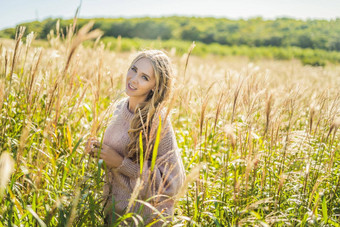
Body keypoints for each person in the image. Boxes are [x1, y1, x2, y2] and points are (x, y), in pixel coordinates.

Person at [88, 50, 185, 226]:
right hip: (113, 213)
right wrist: (97, 151)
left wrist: (121, 163)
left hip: (143, 219)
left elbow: (172, 183)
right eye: (133, 69)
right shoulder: (118, 108)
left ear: (155, 86)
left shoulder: (157, 120)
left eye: (144, 77)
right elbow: (111, 156)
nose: (133, 79)